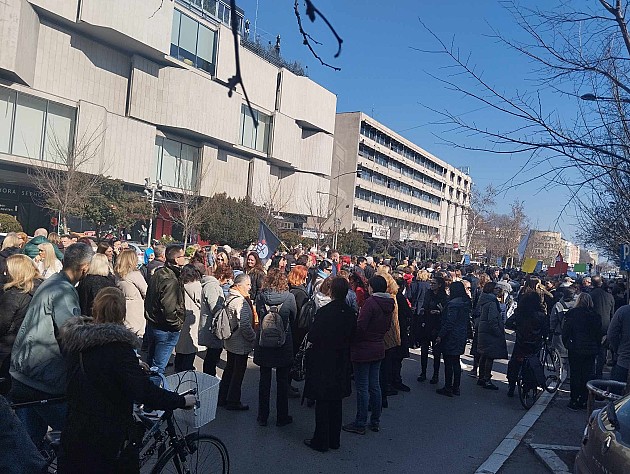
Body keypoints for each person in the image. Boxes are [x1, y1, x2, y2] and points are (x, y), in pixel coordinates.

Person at [58, 287, 195, 473]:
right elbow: (143, 392)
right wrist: (180, 400)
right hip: (106, 438)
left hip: (75, 430)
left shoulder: (77, 342)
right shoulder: (119, 349)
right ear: (122, 313)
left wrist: (134, 364)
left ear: (95, 310)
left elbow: (98, 368)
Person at [9, 243, 94, 444]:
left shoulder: (52, 281)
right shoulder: (63, 290)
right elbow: (72, 334)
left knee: (29, 445)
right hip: (42, 378)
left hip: (26, 373)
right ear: (85, 267)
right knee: (81, 435)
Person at [304, 276, 356, 452]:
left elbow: (313, 335)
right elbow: (353, 336)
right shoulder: (350, 313)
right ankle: (335, 439)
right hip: (341, 361)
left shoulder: (325, 312)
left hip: (324, 360)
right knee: (336, 403)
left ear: (332, 291)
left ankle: (320, 440)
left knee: (323, 403)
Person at [343, 275, 394, 435]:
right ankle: (375, 420)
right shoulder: (389, 303)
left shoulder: (371, 303)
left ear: (372, 287)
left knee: (363, 387)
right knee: (375, 385)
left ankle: (360, 422)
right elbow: (387, 326)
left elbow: (361, 326)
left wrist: (353, 338)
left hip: (364, 347)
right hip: (378, 345)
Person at [254, 268, 297, 427]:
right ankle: (282, 416)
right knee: (282, 381)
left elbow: (259, 315)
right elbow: (294, 318)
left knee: (264, 381)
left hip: (264, 343)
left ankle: (262, 416)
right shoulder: (290, 297)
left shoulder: (260, 296)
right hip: (283, 342)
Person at [144, 245, 186, 381]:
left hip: (155, 324)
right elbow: (168, 309)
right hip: (165, 328)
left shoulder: (161, 273)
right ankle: (152, 399)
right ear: (175, 258)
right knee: (157, 369)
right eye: (182, 256)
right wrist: (177, 324)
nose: (185, 259)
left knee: (150, 365)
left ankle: (145, 395)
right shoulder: (170, 279)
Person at [0, 255, 41, 395]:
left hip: (8, 347)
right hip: (31, 344)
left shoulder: (13, 295)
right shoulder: (41, 289)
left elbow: (2, 324)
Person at [218, 273, 256, 410]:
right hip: (240, 342)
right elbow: (245, 325)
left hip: (231, 340)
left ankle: (222, 397)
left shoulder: (230, 297)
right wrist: (253, 338)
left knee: (229, 369)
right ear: (239, 285)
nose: (250, 288)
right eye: (248, 284)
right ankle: (233, 401)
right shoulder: (241, 302)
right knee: (238, 372)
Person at [562, 292, 601, 410]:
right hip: (590, 349)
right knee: (586, 374)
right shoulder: (595, 315)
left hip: (576, 348)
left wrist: (567, 344)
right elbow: (598, 334)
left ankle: (574, 399)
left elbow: (566, 331)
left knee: (575, 374)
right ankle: (584, 400)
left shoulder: (572, 314)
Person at [506, 291, 548, 397]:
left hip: (521, 342)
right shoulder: (541, 315)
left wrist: (517, 328)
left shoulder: (520, 313)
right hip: (535, 344)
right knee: (533, 365)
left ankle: (511, 386)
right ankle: (529, 387)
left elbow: (508, 323)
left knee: (515, 364)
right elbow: (546, 329)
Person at [435, 281, 471, 397]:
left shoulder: (453, 304)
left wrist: (440, 335)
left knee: (448, 362)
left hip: (451, 335)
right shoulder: (465, 302)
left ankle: (448, 387)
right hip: (461, 334)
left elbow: (449, 322)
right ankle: (456, 387)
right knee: (456, 361)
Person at [198, 265, 233, 376]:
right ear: (221, 276)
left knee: (213, 354)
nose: (227, 282)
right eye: (226, 279)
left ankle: (209, 375)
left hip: (212, 325)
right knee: (212, 356)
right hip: (212, 326)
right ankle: (209, 377)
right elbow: (214, 307)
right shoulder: (212, 286)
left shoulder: (212, 285)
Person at [476, 282, 509, 390]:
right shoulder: (492, 302)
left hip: (483, 330)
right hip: (490, 332)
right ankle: (486, 379)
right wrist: (498, 332)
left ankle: (481, 377)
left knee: (484, 355)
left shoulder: (484, 299)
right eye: (495, 288)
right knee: (489, 356)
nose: (498, 290)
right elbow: (492, 319)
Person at [417, 276, 448, 384]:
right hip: (427, 324)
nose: (431, 285)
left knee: (436, 352)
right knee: (424, 350)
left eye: (434, 283)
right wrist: (423, 311)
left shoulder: (444, 296)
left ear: (439, 285)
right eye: (431, 283)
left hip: (437, 325)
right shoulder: (428, 294)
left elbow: (445, 311)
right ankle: (423, 372)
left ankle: (435, 375)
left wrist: (440, 312)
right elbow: (425, 306)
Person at [174, 264, 203, 372]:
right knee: (191, 345)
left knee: (181, 346)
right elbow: (201, 301)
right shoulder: (196, 285)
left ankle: (178, 367)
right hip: (192, 317)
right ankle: (187, 368)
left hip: (182, 316)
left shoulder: (179, 284)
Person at [114, 249, 148, 338]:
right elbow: (146, 290)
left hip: (123, 305)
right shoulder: (134, 274)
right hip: (135, 308)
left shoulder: (118, 274)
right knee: (134, 336)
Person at [590, 276, 615, 379]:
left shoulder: (590, 295)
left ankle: (592, 372)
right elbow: (612, 314)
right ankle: (599, 372)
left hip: (592, 327)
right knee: (602, 351)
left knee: (592, 351)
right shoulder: (609, 297)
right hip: (605, 327)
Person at [550, 286, 577, 382]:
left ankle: (559, 375)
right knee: (571, 357)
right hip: (573, 335)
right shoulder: (577, 305)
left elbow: (553, 319)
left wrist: (552, 329)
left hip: (559, 334)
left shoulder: (558, 304)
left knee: (559, 357)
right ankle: (570, 376)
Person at [608, 303, 630, 387]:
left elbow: (611, 334)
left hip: (624, 360)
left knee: (616, 395)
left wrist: (617, 349)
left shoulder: (623, 311)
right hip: (624, 357)